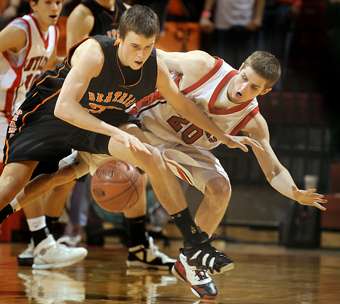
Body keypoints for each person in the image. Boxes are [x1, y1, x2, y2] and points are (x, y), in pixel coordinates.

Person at [2, 49, 327, 299]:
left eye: (254, 87)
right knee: (68, 172)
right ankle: (10, 208)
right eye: (244, 78)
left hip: (183, 149)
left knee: (220, 187)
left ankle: (190, 259)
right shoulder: (203, 66)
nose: (244, 88)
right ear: (240, 68)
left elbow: (273, 169)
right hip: (139, 127)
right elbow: (153, 56)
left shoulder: (253, 121)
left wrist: (295, 193)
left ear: (265, 92)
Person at [0, 4, 259, 277]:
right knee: (12, 182)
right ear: (119, 38)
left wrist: (222, 135)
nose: (141, 55)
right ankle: (14, 212)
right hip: (48, 116)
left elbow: (182, 105)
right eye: (135, 46)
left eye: (148, 47)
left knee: (149, 155)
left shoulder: (154, 66)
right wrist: (116, 132)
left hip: (100, 118)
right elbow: (65, 107)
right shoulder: (94, 53)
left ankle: (193, 243)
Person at [0, 0, 88, 269]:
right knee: (20, 175)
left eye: (59, 2)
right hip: (2, 111)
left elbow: (46, 70)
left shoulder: (52, 32)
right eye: (48, 1)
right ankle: (41, 243)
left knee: (49, 170)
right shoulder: (20, 30)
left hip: (18, 112)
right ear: (34, 4)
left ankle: (41, 241)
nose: (55, 7)